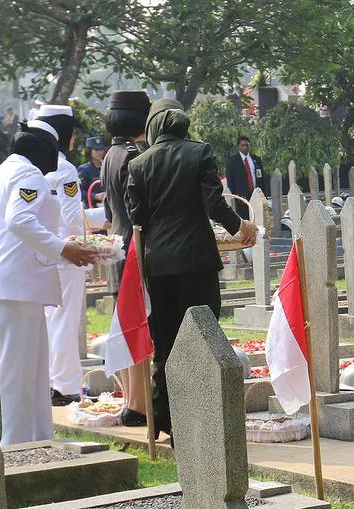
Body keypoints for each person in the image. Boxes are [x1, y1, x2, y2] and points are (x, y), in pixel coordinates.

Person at [127, 99, 257, 437]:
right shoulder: (200, 153)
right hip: (197, 262)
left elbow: (136, 218)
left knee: (166, 342)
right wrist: (240, 226)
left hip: (159, 267)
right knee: (203, 339)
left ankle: (166, 418)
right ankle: (203, 418)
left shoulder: (139, 164)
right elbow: (213, 203)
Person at [0, 120, 99, 445]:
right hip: (16, 283)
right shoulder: (27, 174)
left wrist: (61, 251)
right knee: (18, 372)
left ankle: (38, 439)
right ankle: (15, 446)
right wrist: (63, 248)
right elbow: (19, 220)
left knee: (33, 371)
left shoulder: (6, 169)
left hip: (17, 283)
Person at [38, 104, 104, 407]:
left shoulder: (36, 165)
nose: (75, 140)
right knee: (64, 320)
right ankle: (64, 386)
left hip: (45, 252)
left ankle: (53, 381)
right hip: (68, 253)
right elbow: (73, 218)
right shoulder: (62, 168)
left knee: (52, 321)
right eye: (71, 133)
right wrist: (106, 216)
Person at [101, 89, 152, 426]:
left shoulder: (110, 154)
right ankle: (140, 404)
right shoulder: (134, 154)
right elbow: (141, 208)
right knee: (141, 324)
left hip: (118, 244)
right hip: (136, 246)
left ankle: (135, 402)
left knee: (130, 322)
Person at [224, 135, 267, 220]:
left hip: (255, 193)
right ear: (238, 147)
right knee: (245, 220)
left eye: (247, 145)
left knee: (258, 218)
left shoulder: (256, 159)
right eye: (243, 145)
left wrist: (263, 193)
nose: (245, 147)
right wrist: (236, 196)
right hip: (242, 197)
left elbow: (261, 178)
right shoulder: (233, 161)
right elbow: (230, 181)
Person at [77, 135, 106, 207]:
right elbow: (79, 192)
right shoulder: (84, 169)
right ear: (90, 151)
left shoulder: (106, 166)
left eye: (101, 149)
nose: (100, 152)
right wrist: (95, 196)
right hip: (91, 208)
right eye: (96, 150)